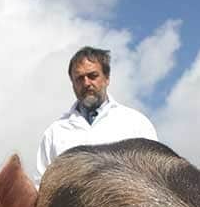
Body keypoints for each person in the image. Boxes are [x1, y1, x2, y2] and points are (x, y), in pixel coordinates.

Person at [35, 46, 158, 181]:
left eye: (93, 76)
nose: (86, 83)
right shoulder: (54, 133)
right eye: (79, 78)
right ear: (73, 84)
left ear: (107, 78)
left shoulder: (136, 123)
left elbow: (156, 177)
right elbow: (41, 185)